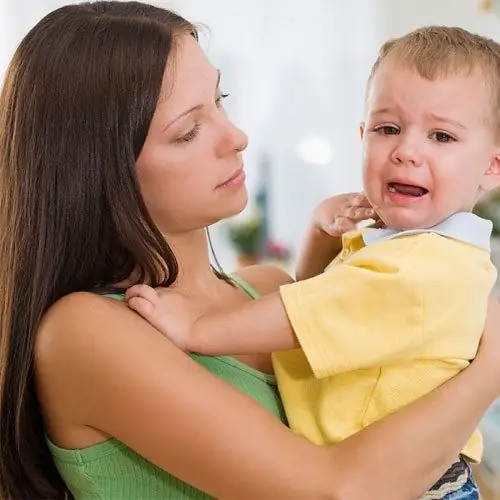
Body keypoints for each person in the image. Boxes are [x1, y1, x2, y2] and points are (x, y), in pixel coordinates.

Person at [0, 3, 500, 498]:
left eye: (222, 99)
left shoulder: (266, 289)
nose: (236, 137)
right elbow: (336, 492)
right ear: (99, 172)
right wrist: (489, 370)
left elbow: (330, 322)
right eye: (188, 131)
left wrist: (324, 238)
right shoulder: (86, 333)